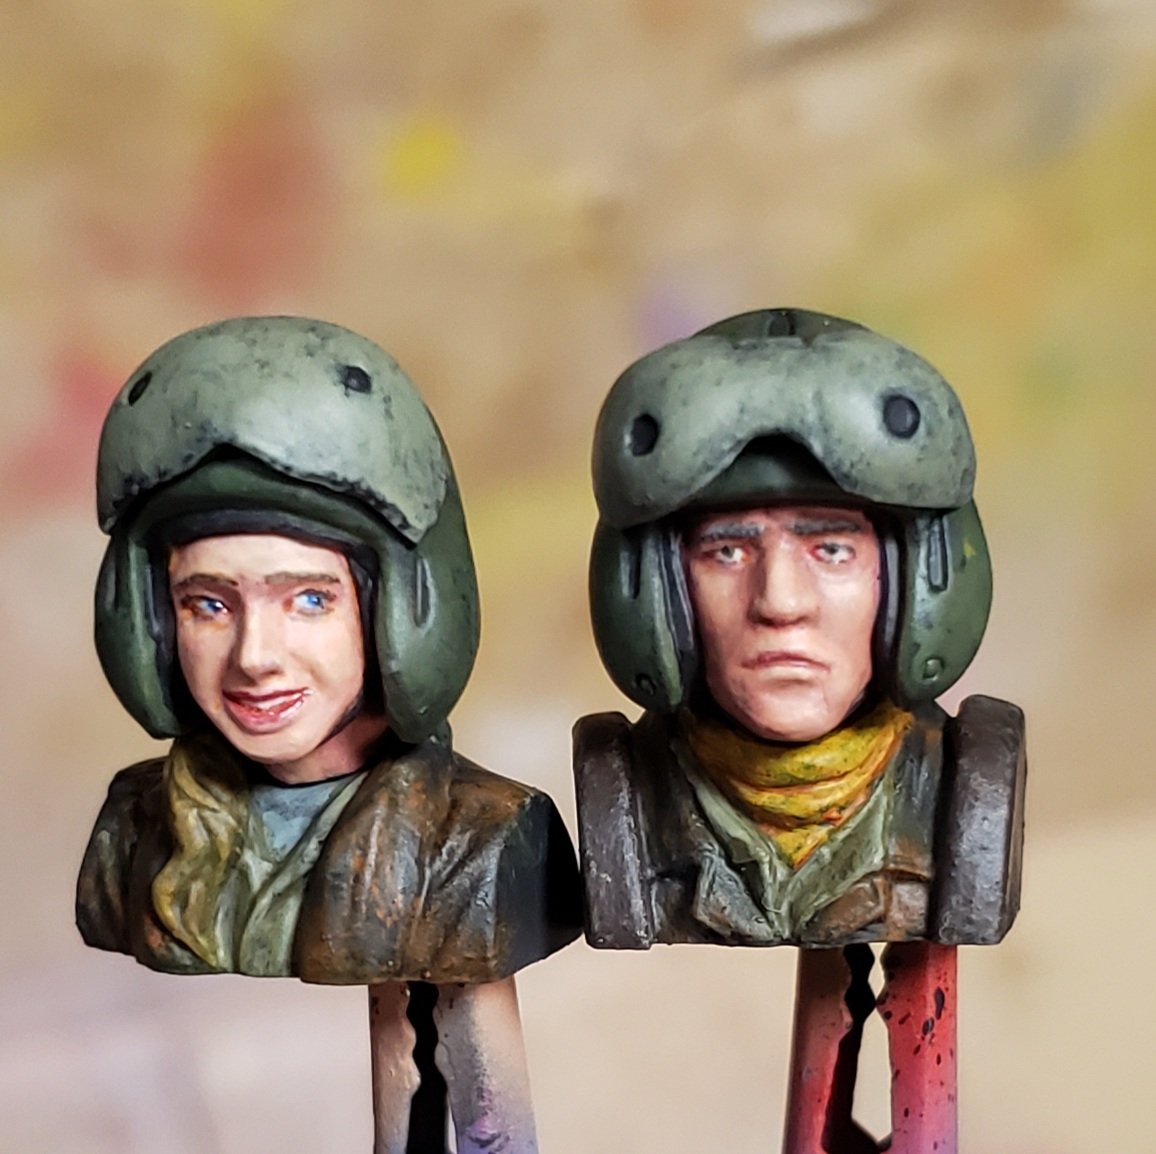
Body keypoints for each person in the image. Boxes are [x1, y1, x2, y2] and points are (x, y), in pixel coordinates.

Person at [77, 316, 581, 1153]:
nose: (255, 656)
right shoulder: (134, 835)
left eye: (308, 600)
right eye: (208, 604)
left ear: (398, 609)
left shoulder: (487, 842)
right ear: (151, 623)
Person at [574, 307, 1025, 950]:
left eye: (831, 550)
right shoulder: (628, 810)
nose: (780, 603)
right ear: (652, 594)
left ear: (920, 582)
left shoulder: (963, 797)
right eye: (726, 552)